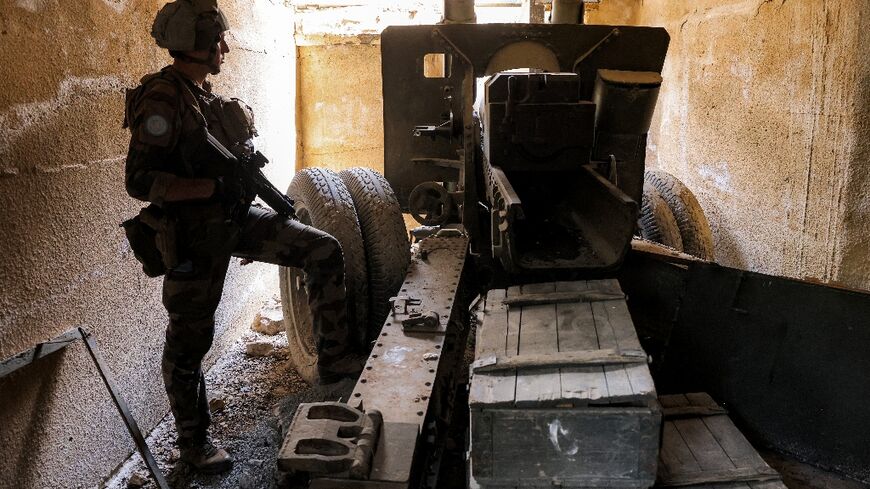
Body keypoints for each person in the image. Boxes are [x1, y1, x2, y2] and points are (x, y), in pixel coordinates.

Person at [123, 0, 362, 473]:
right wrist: (211, 187)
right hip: (191, 236)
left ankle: (334, 366)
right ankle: (193, 447)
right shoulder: (161, 98)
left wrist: (233, 190)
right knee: (189, 344)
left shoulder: (200, 95)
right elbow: (138, 181)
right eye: (217, 43)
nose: (225, 49)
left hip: (234, 219)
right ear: (196, 46)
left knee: (322, 250)